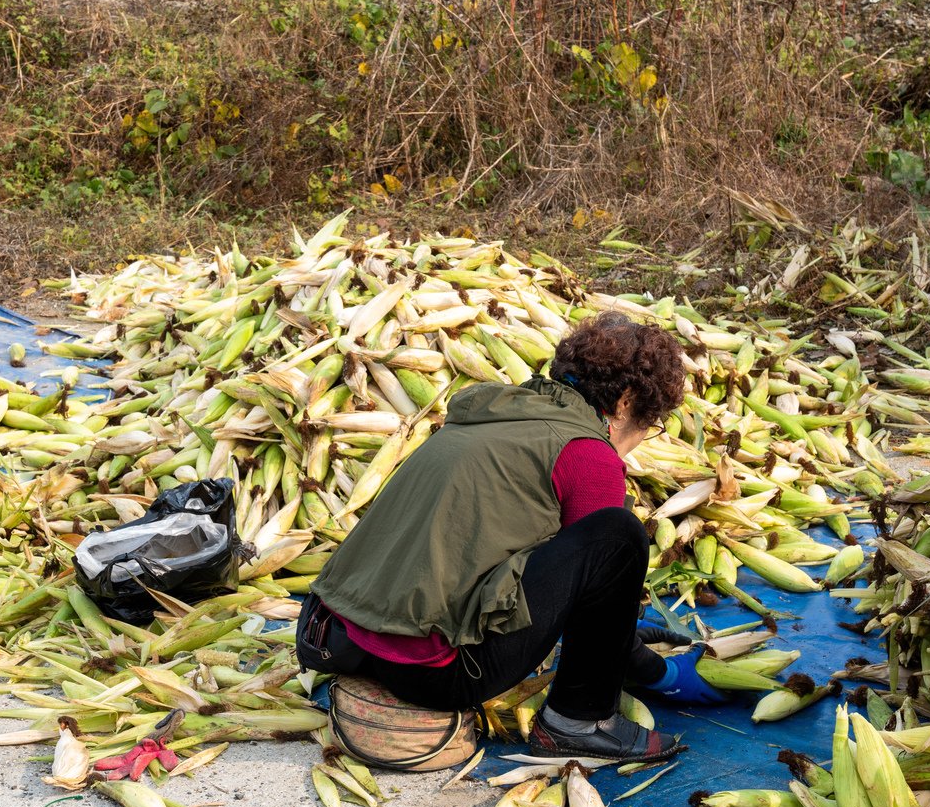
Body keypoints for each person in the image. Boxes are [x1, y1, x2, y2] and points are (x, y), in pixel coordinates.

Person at [299, 311, 725, 763]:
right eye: (649, 421)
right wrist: (658, 673)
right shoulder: (587, 455)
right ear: (625, 402)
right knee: (618, 536)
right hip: (429, 671)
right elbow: (594, 576)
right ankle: (578, 723)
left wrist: (623, 636)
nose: (642, 436)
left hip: (331, 636)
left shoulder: (487, 417)